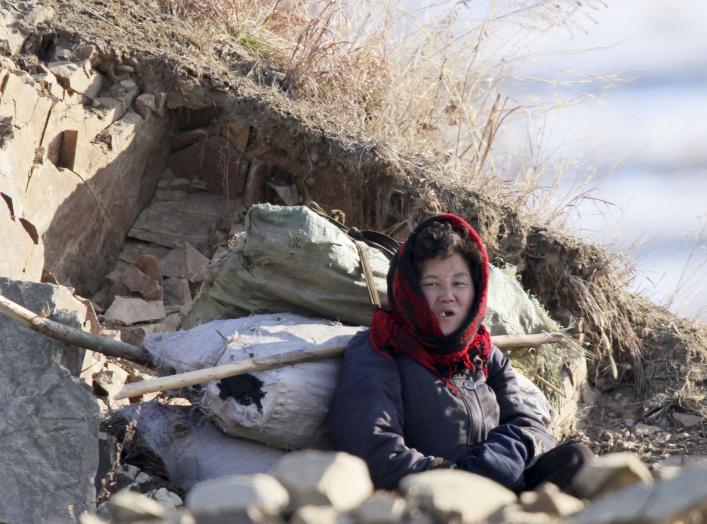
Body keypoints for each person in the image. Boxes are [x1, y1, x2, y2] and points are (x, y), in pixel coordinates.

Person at [326, 213, 592, 494]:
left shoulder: (480, 351)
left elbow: (529, 423)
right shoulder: (380, 349)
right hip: (433, 499)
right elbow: (374, 448)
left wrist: (501, 457)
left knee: (577, 459)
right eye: (432, 283)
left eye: (459, 283)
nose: (447, 295)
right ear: (411, 290)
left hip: (501, 486)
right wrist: (460, 479)